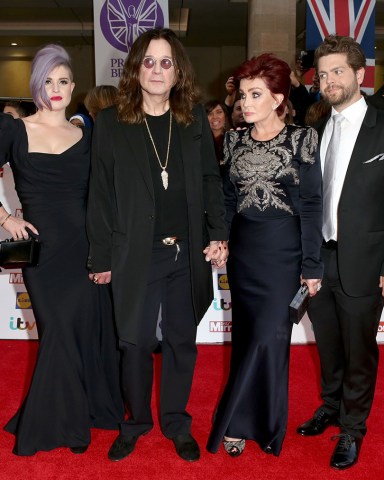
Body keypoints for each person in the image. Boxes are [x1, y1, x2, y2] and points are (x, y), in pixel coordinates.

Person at [86, 28, 228, 463]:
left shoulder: (193, 120)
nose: (157, 70)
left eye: (166, 62)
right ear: (136, 68)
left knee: (182, 341)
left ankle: (176, 422)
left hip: (185, 250)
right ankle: (135, 423)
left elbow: (209, 179)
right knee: (134, 342)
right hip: (135, 252)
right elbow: (101, 193)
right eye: (149, 61)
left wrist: (219, 232)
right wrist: (102, 256)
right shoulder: (111, 122)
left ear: (178, 71)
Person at [0, 44, 123, 456]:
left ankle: (81, 410)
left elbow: (103, 194)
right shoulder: (15, 130)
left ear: (73, 87)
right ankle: (56, 422)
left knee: (81, 331)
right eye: (48, 80)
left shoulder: (85, 134)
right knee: (57, 332)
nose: (56, 88)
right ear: (37, 84)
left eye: (63, 81)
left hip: (84, 247)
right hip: (44, 252)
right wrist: (5, 218)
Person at [206, 53, 323, 458]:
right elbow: (225, 196)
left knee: (271, 340)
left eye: (255, 94)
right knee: (246, 338)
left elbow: (311, 206)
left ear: (277, 97)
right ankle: (239, 422)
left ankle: (260, 423)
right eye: (242, 95)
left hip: (284, 253)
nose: (245, 103)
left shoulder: (302, 139)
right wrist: (220, 238)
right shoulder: (234, 139)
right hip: (245, 253)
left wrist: (312, 264)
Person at [296, 35, 384, 470]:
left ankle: (353, 429)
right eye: (323, 73)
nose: (328, 80)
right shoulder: (315, 129)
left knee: (359, 350)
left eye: (338, 72)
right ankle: (330, 407)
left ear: (359, 75)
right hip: (319, 259)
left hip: (365, 261)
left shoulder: (382, 126)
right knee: (327, 344)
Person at [205, 99, 230, 165]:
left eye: (219, 112)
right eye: (210, 113)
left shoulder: (232, 138)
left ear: (225, 115)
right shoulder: (200, 141)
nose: (214, 117)